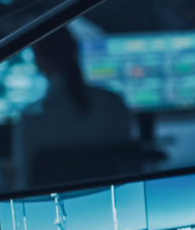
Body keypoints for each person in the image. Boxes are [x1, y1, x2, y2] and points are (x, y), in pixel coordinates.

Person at [16, 26, 135, 189]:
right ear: (76, 52)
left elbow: (26, 187)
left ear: (39, 61)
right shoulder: (113, 103)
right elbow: (129, 170)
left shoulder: (33, 117)